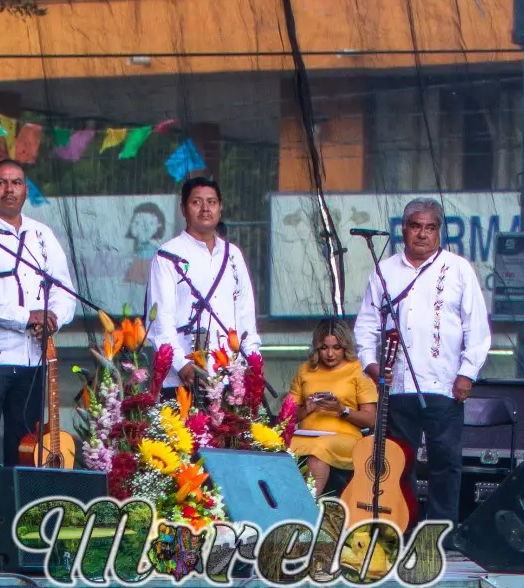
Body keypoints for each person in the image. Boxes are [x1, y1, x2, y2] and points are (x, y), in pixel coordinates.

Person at [353, 197, 491, 527]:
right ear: (404, 230)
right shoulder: (385, 271)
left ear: (439, 232)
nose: (423, 234)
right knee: (400, 462)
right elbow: (367, 325)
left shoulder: (458, 268)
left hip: (444, 383)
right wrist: (372, 366)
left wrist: (466, 374)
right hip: (397, 384)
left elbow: (477, 327)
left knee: (445, 459)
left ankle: (441, 530)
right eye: (416, 226)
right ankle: (403, 525)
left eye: (430, 227)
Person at [0, 159, 76, 481]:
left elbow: (64, 289)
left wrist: (53, 318)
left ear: (25, 189)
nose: (9, 189)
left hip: (32, 361)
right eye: (1, 182)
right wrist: (26, 317)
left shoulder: (41, 235)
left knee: (24, 446)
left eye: (17, 182)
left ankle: (16, 519)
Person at [147, 177, 260, 394]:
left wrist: (251, 362)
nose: (205, 208)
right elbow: (160, 321)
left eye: (212, 202)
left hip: (229, 375)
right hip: (182, 377)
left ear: (220, 207)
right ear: (183, 209)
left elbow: (245, 313)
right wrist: (181, 364)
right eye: (196, 202)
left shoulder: (232, 254)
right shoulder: (168, 255)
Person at [287, 319, 378, 497]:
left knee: (320, 448)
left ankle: (306, 507)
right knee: (279, 448)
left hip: (346, 440)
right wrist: (307, 409)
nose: (330, 354)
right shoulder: (305, 370)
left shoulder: (358, 370)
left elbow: (370, 419)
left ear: (345, 347)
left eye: (336, 347)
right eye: (324, 348)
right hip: (306, 436)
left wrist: (341, 409)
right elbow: (288, 417)